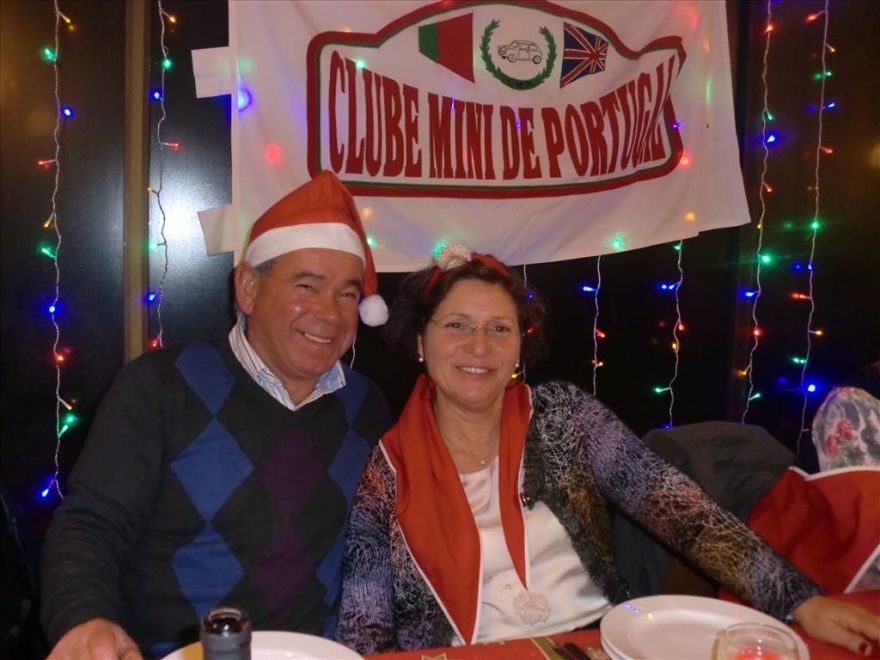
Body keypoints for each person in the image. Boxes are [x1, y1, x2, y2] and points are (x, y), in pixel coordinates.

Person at [336, 243, 880, 656]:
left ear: (520, 347)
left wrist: (797, 599)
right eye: (457, 325)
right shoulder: (388, 470)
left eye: (499, 328)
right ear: (420, 340)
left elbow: (679, 509)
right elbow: (365, 626)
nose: (479, 347)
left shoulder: (564, 416)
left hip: (599, 646)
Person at [41, 171, 392, 660]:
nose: (330, 314)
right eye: (307, 286)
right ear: (248, 287)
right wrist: (83, 618)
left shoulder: (366, 408)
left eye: (347, 294)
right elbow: (91, 525)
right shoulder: (159, 387)